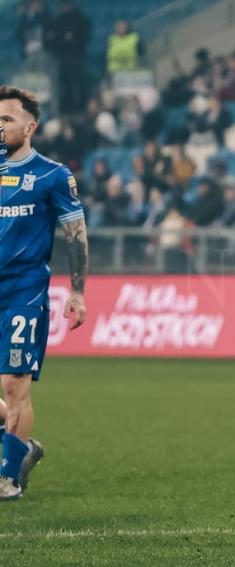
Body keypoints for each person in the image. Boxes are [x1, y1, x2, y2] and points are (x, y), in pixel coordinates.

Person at [0, 86, 88, 499]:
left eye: (7, 119)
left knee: (14, 384)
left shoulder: (53, 175)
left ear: (30, 126)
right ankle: (22, 449)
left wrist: (78, 291)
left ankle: (8, 478)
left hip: (24, 291)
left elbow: (75, 234)